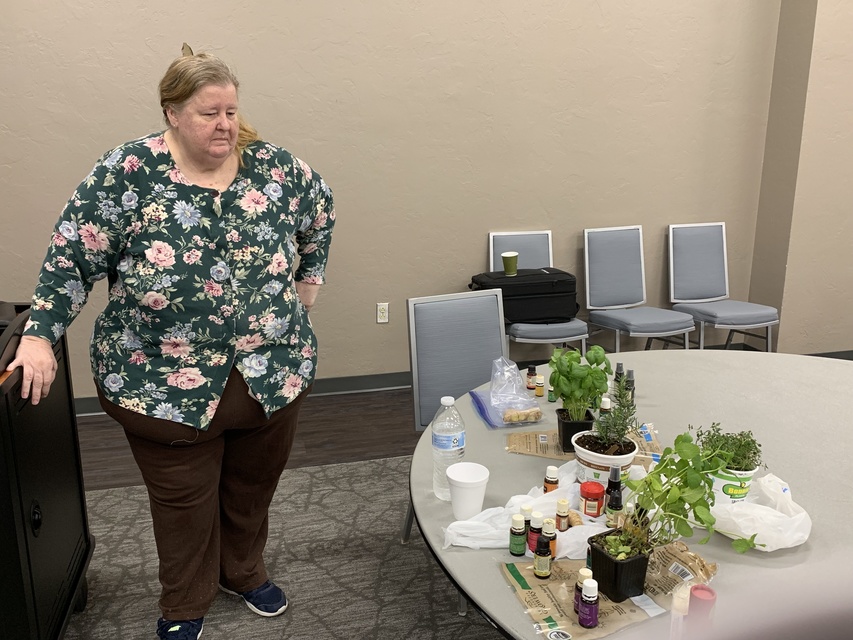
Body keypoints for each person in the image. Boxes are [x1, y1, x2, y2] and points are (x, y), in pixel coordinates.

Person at [7, 48, 335, 640]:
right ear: (173, 113)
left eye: (231, 111)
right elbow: (71, 257)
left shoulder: (275, 167)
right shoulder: (126, 173)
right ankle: (184, 604)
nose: (225, 125)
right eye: (210, 113)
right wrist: (38, 335)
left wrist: (308, 282)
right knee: (184, 503)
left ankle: (243, 571)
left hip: (273, 371)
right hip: (159, 382)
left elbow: (321, 211)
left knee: (252, 489)